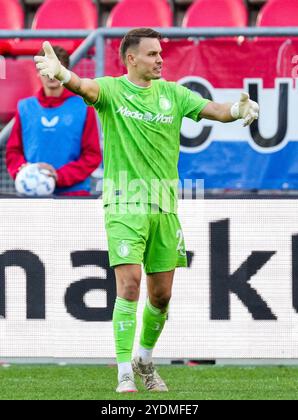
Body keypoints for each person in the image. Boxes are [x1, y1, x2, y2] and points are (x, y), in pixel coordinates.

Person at [34, 28, 259, 392]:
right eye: (152, 54)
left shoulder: (174, 93)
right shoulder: (112, 90)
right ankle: (124, 371)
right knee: (130, 285)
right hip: (124, 202)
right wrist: (61, 74)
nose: (160, 59)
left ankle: (144, 357)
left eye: (160, 53)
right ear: (131, 59)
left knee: (161, 295)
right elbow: (85, 87)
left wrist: (236, 110)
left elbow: (214, 110)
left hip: (164, 205)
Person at [6, 46, 101, 196]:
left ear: (65, 72)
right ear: (37, 73)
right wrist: (24, 170)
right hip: (33, 195)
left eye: (56, 70)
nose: (51, 76)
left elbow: (92, 155)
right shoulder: (25, 107)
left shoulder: (83, 107)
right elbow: (13, 152)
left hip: (73, 196)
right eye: (45, 70)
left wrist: (58, 176)